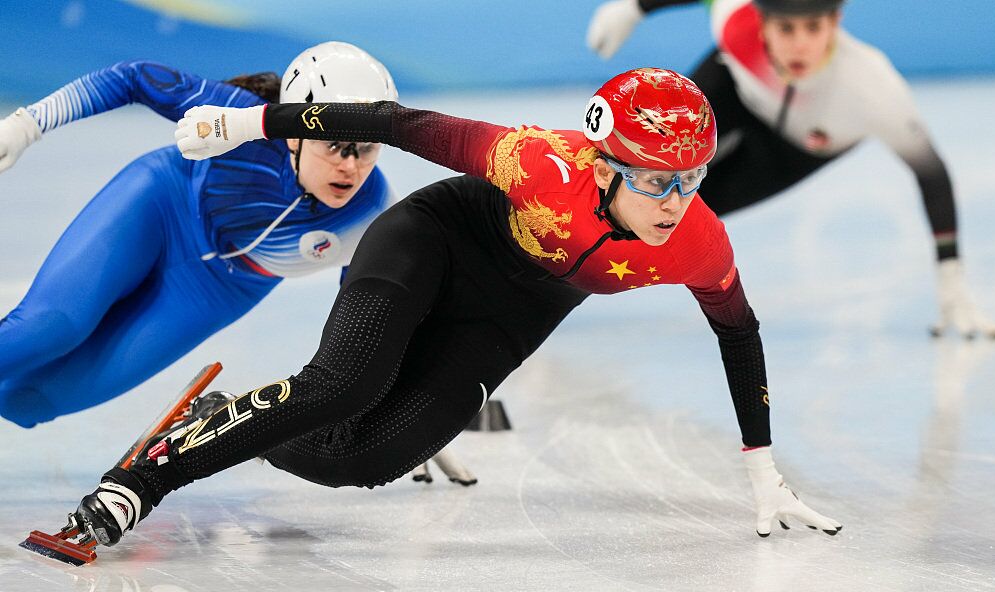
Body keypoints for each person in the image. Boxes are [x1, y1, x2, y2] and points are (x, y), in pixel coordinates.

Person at [58, 67, 840, 556]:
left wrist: (761, 467)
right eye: (656, 180)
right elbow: (392, 124)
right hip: (438, 238)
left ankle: (226, 413)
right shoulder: (533, 162)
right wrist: (254, 123)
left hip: (514, 312)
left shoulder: (697, 241)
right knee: (344, 385)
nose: (677, 202)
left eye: (693, 178)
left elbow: (739, 332)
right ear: (602, 166)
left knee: (356, 460)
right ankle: (147, 477)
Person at [0, 42, 397, 428]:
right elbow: (133, 77)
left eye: (367, 148)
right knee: (52, 328)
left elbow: (367, 324)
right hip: (162, 208)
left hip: (218, 290)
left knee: (30, 401)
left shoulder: (375, 214)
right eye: (335, 145)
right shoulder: (242, 122)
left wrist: (391, 411)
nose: (351, 165)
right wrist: (27, 125)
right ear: (294, 134)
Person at [586, 0, 995, 338]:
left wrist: (951, 275)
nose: (800, 45)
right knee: (632, 174)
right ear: (761, 21)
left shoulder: (871, 87)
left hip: (797, 148)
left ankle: (565, 269)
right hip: (736, 87)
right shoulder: (737, 25)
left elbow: (931, 172)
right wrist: (636, 7)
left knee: (673, 215)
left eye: (813, 28)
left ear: (835, 22)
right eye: (786, 29)